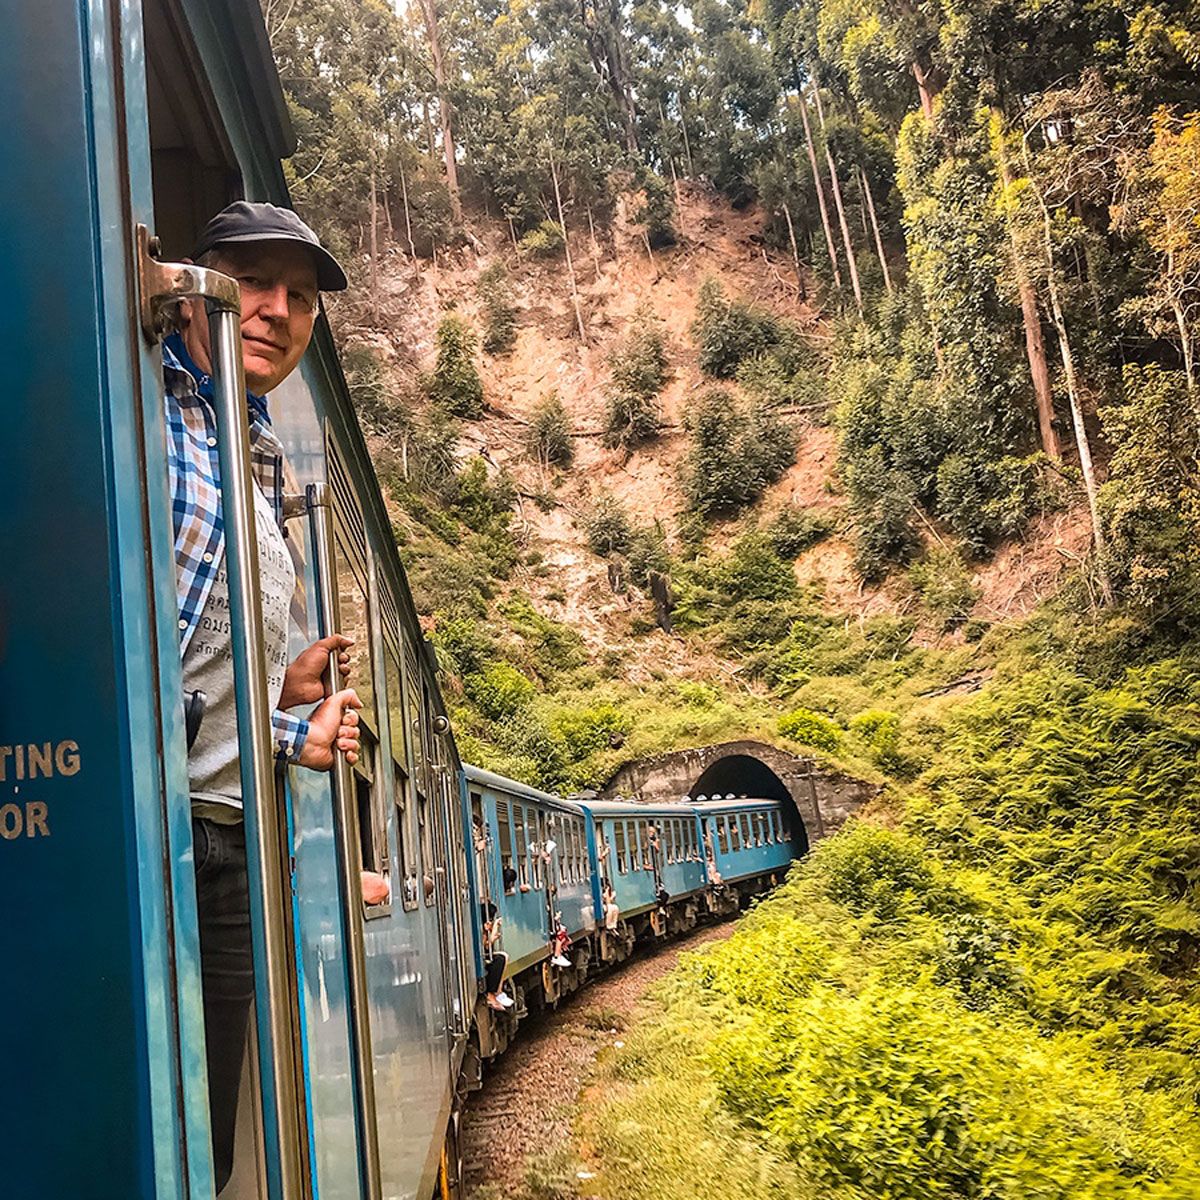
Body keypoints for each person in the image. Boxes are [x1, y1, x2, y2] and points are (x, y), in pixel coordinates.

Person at [168, 201, 364, 1194]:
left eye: (297, 296)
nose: (274, 308)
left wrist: (282, 708)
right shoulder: (159, 420)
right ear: (196, 286)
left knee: (207, 1143)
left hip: (233, 841)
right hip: (174, 850)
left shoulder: (250, 449)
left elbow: (198, 671)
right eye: (251, 281)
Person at [480, 901, 513, 1012]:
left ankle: (498, 992)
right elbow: (485, 946)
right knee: (500, 959)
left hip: (483, 957)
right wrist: (493, 932)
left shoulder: (483, 929)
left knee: (503, 956)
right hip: (480, 961)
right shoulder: (480, 931)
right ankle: (491, 995)